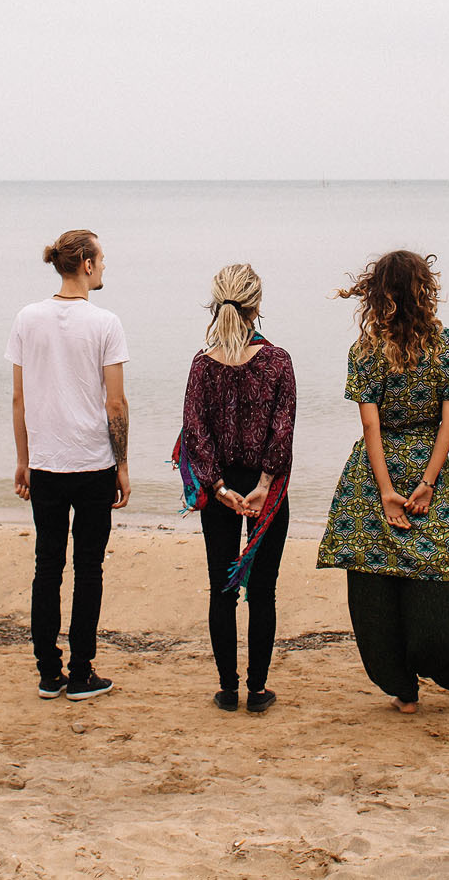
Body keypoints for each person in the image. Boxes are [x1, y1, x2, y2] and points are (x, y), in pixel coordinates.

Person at [316, 249, 449, 714]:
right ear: (425, 289)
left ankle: (404, 690)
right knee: (434, 572)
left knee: (374, 579)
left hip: (373, 473)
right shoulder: (447, 343)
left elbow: (371, 427)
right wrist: (428, 482)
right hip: (424, 467)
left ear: (378, 293)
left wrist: (384, 491)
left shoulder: (365, 349)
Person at [7, 229, 130, 701]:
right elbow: (115, 404)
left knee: (47, 567)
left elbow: (19, 398)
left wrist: (24, 459)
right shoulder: (105, 323)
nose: (104, 266)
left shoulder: (27, 318)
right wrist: (122, 465)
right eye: (102, 258)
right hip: (93, 462)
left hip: (47, 464)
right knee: (89, 569)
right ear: (87, 265)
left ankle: (47, 674)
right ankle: (81, 674)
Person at [177, 264, 295, 713]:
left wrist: (220, 487)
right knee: (262, 592)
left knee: (221, 590)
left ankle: (227, 690)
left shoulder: (202, 365)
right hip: (267, 492)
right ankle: (257, 691)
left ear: (217, 304)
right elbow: (282, 433)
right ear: (257, 307)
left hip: (221, 487)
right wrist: (264, 485)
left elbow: (195, 433)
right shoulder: (279, 361)